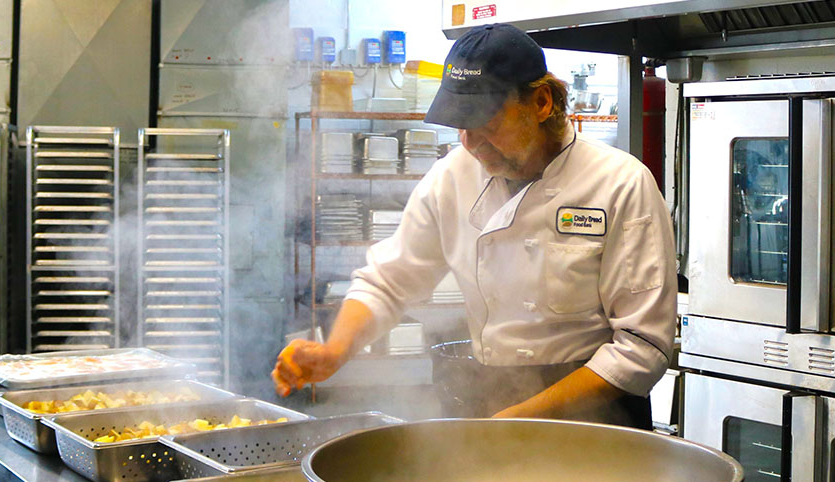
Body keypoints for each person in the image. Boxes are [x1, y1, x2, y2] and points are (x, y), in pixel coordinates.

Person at [271, 23, 676, 428]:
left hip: (594, 418)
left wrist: (523, 419)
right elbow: (389, 281)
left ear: (540, 103)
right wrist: (335, 351)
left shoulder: (620, 184)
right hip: (491, 396)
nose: (470, 142)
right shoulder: (453, 176)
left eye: (487, 124)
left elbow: (642, 347)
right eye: (460, 125)